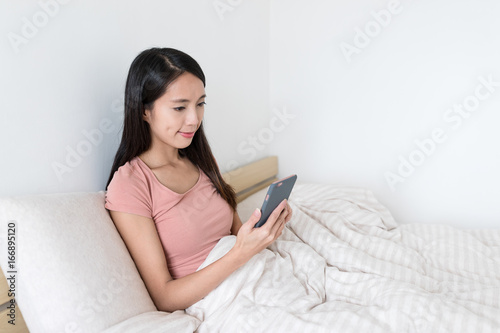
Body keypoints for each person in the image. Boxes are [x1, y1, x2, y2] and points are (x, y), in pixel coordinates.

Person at [105, 47, 292, 312]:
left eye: (200, 104)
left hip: (257, 273)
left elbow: (237, 234)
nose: (194, 120)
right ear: (144, 111)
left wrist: (264, 232)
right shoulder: (130, 185)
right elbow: (165, 297)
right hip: (222, 300)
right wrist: (240, 253)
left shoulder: (201, 160)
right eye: (180, 107)